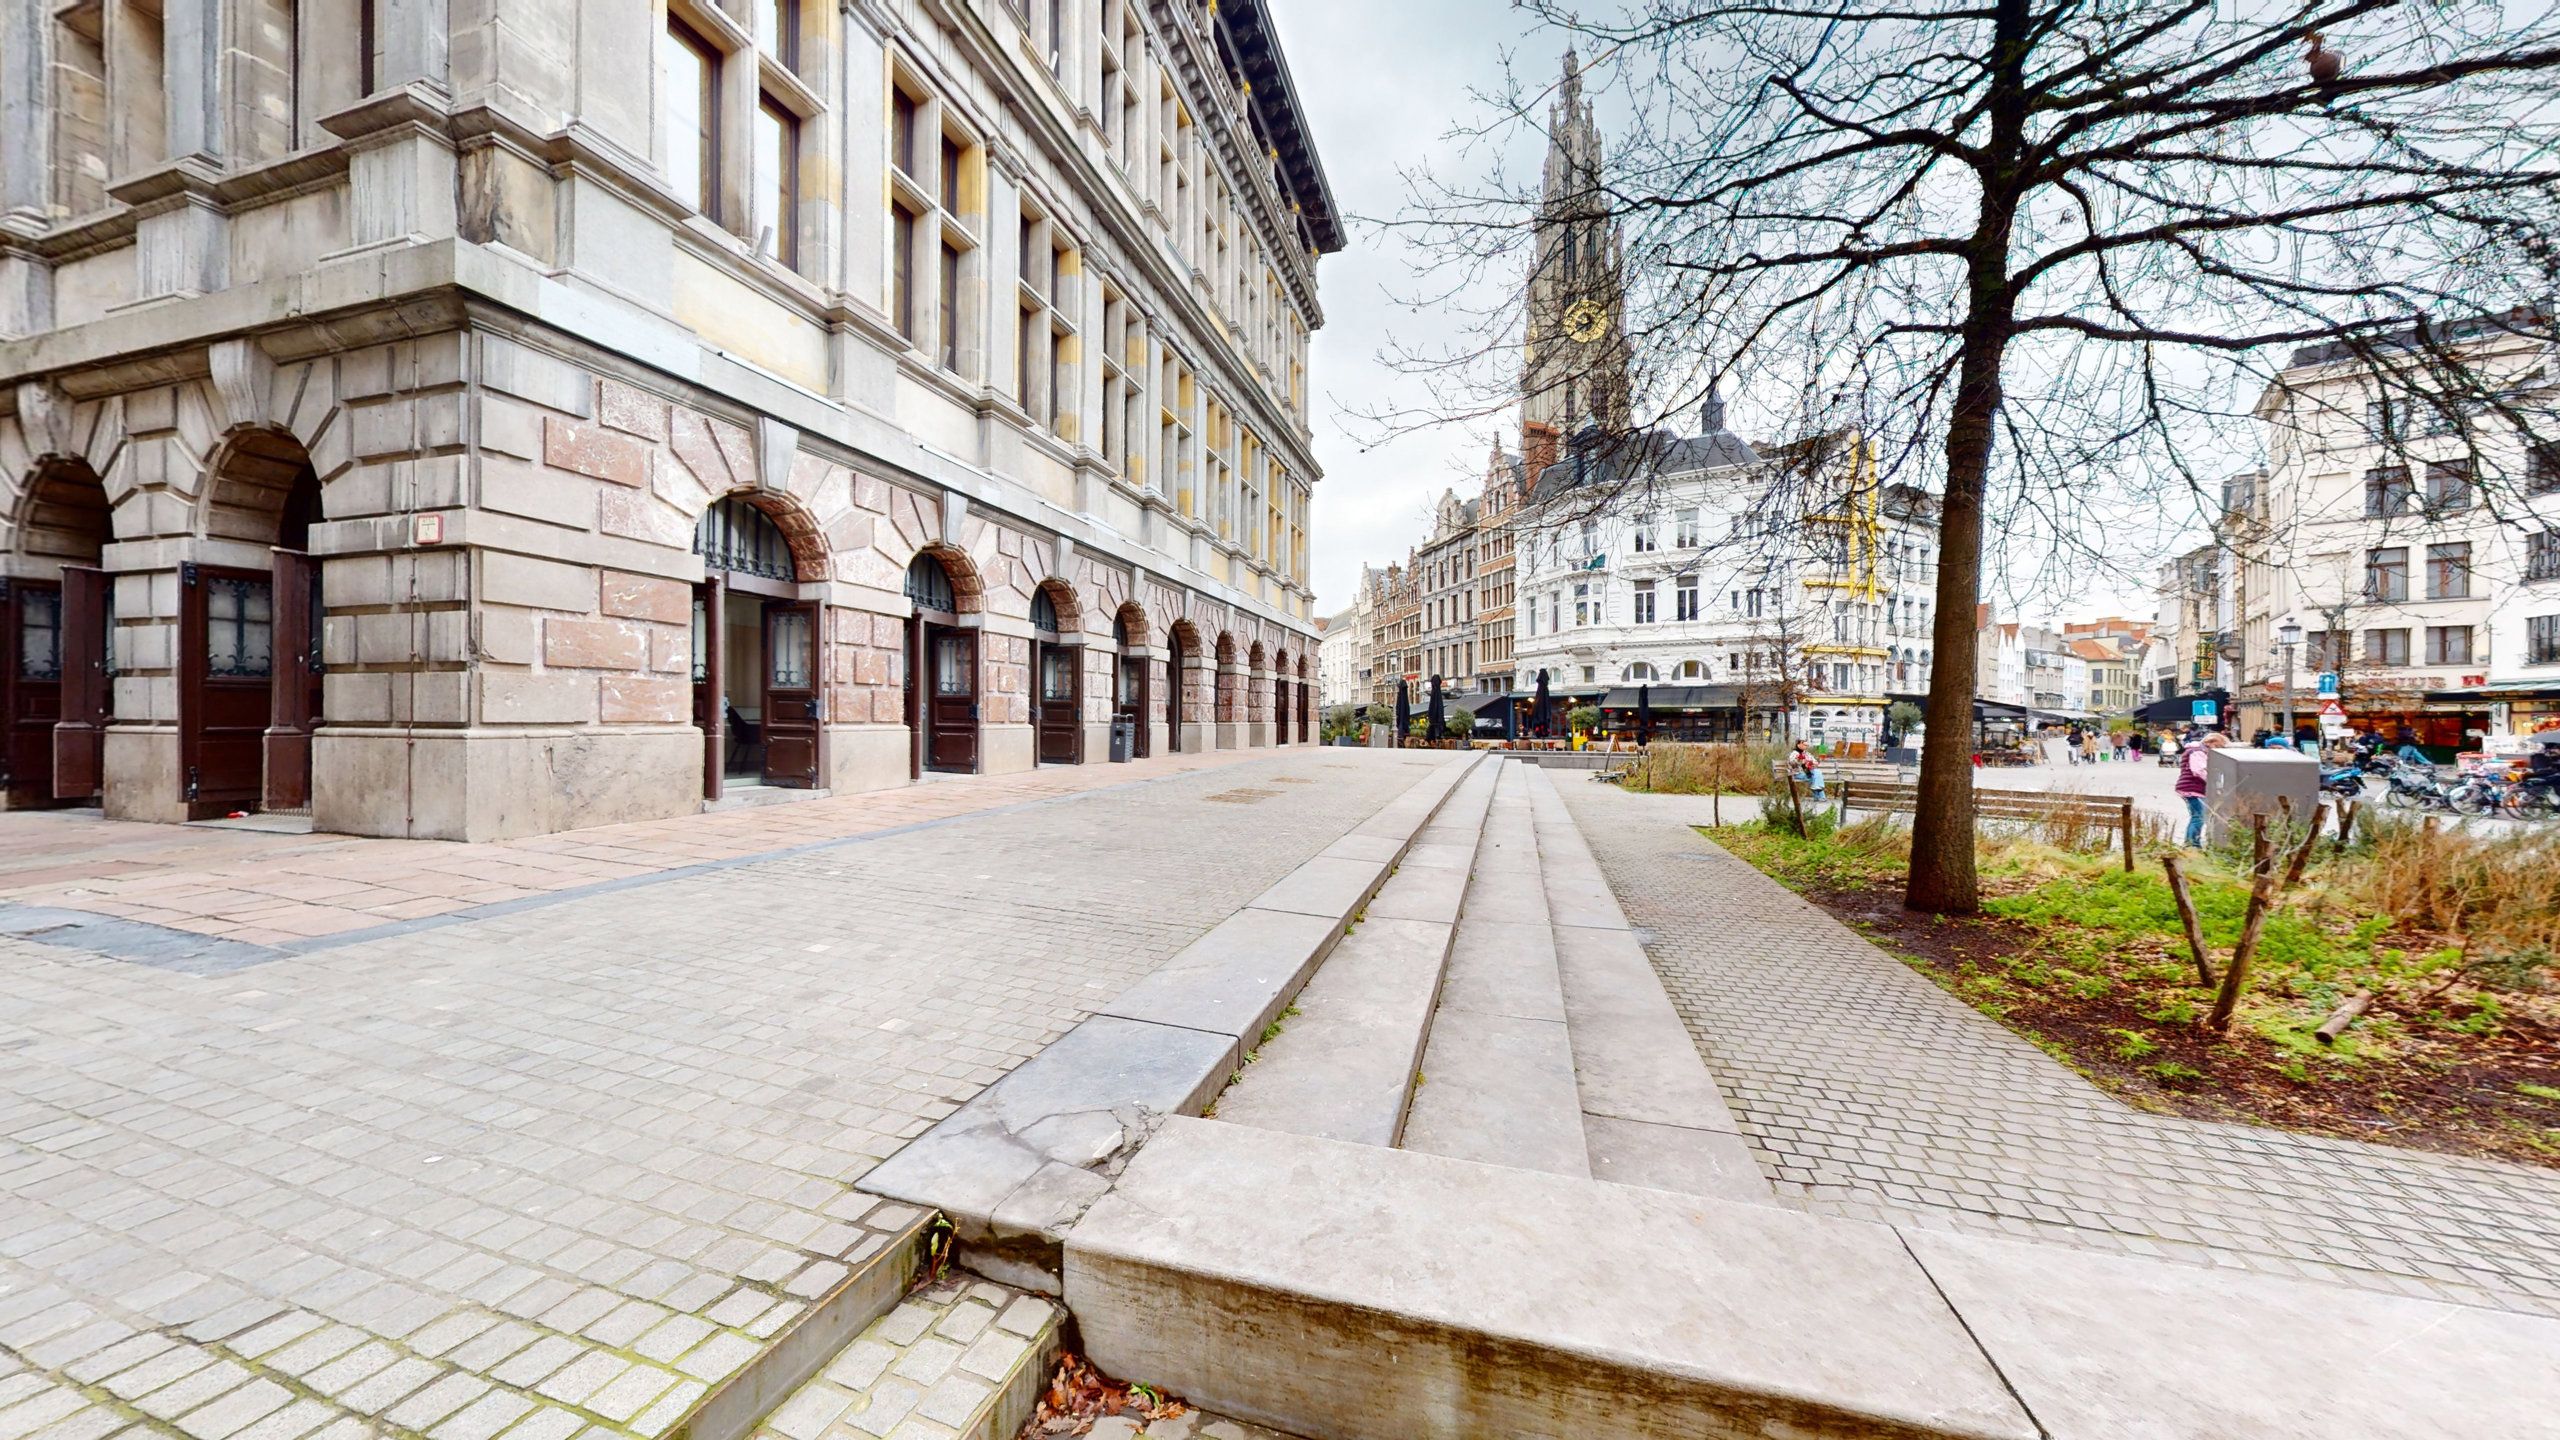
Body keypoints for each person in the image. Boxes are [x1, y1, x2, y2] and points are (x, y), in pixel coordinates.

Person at [2177, 732, 2225, 847]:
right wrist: (2213, 783)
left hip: (2192, 788)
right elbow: (2198, 770)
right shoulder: (2197, 752)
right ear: (2210, 742)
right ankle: (2192, 844)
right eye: (2218, 746)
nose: (2218, 750)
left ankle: (2191, 843)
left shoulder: (2198, 751)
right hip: (2192, 788)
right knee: (2198, 817)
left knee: (2197, 816)